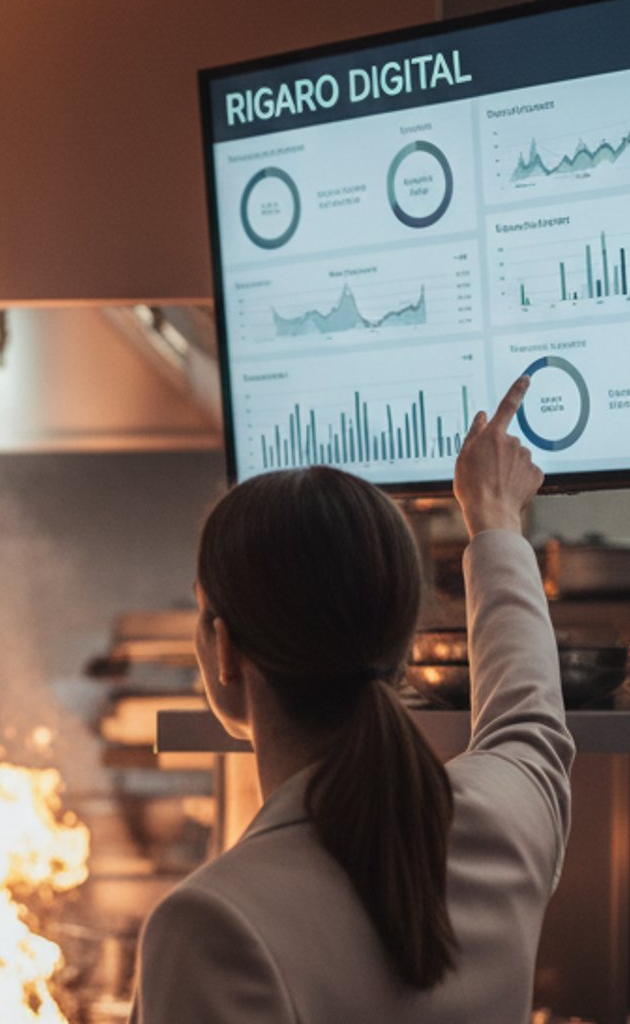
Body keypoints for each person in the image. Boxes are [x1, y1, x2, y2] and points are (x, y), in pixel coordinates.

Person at [137, 374, 572, 1023]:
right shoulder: (507, 824)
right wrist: (495, 518)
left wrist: (497, 523)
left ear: (224, 650)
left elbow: (527, 716)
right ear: (399, 642)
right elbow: (529, 715)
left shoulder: (211, 924)